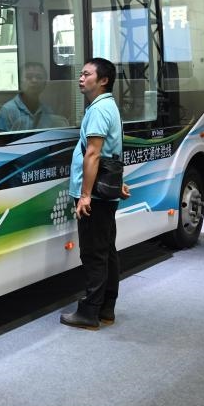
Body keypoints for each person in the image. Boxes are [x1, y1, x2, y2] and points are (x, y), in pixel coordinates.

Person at [61, 58, 130, 330]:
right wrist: (117, 183)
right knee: (106, 250)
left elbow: (93, 154)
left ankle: (90, 312)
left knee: (93, 253)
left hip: (95, 195)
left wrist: (85, 195)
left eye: (87, 74)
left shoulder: (99, 109)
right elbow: (114, 151)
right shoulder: (107, 105)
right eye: (81, 74)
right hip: (104, 190)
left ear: (103, 80)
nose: (81, 78)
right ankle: (106, 308)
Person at [0, 62, 69, 132]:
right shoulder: (7, 110)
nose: (34, 80)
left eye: (39, 77)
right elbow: (1, 140)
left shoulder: (47, 110)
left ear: (45, 84)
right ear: (20, 82)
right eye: (29, 77)